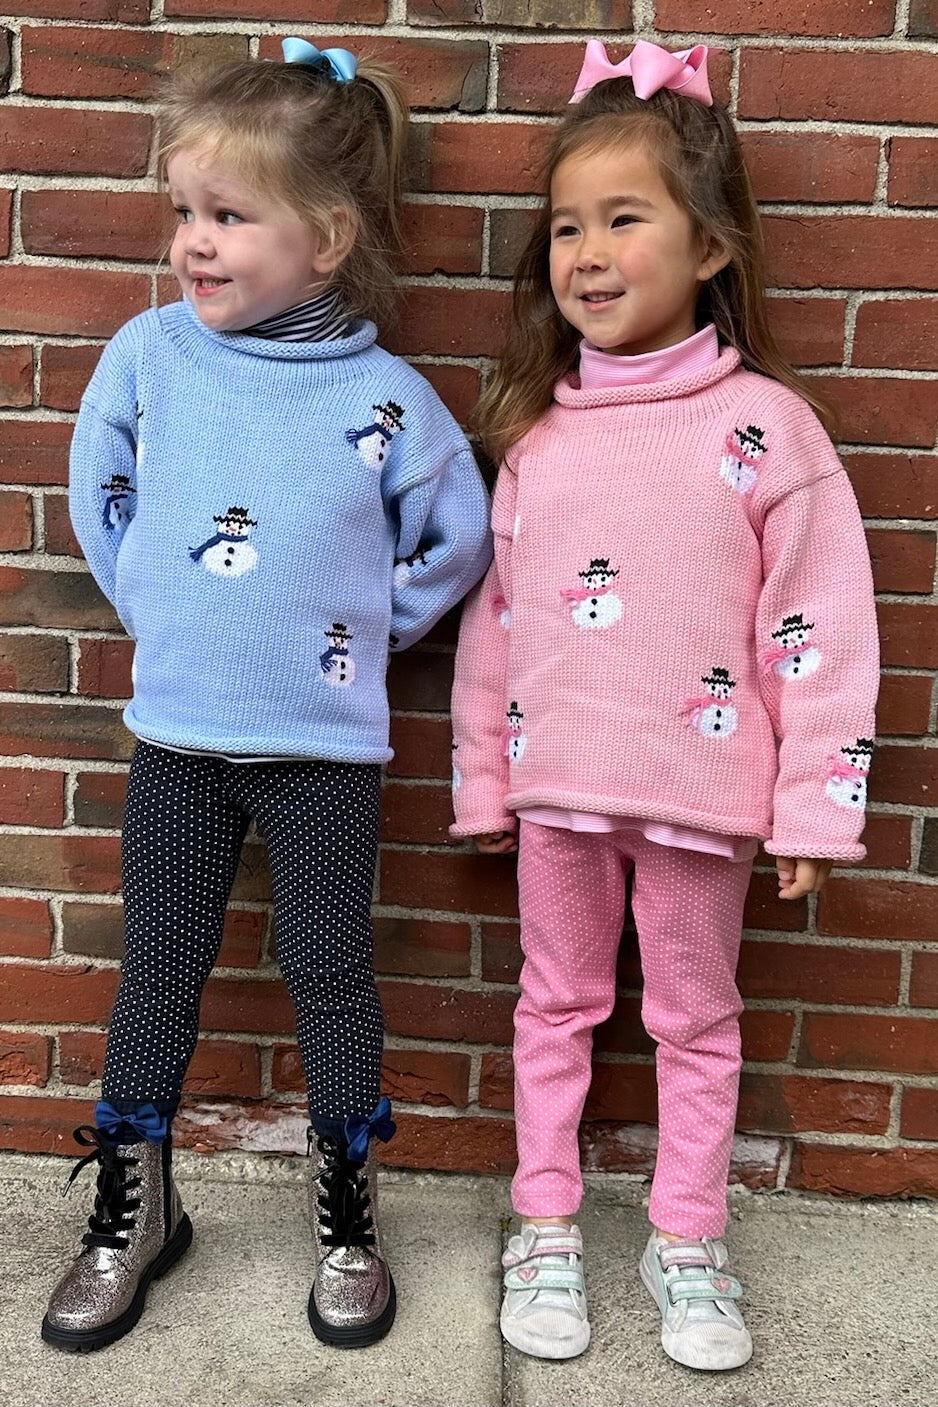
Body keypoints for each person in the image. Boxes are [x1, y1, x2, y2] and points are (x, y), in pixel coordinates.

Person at [43, 38, 492, 1355]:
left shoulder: (386, 402)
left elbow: (452, 539)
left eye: (229, 216)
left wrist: (351, 634)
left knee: (329, 976)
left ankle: (350, 1215)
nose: (194, 241)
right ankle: (137, 1210)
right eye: (183, 211)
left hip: (321, 751)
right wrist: (162, 605)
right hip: (177, 739)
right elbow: (99, 479)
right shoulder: (152, 355)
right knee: (157, 978)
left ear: (329, 236)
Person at [450, 38, 878, 1372]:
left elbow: (815, 621)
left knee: (693, 1020)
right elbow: (499, 622)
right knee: (552, 1006)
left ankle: (685, 1235)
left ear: (706, 247)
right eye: (565, 226)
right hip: (560, 790)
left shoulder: (766, 432)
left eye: (621, 219)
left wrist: (814, 799)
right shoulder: (539, 437)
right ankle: (546, 1218)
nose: (585, 252)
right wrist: (481, 779)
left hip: (702, 797)